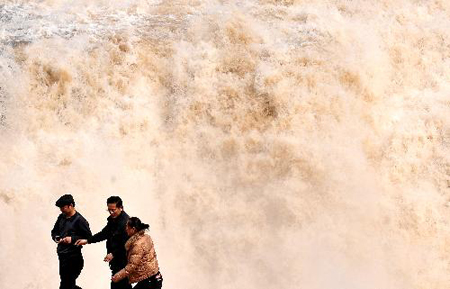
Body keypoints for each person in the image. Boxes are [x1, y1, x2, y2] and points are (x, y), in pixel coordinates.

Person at [75, 196, 132, 289]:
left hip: (124, 260)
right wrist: (88, 240)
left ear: (121, 208)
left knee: (119, 284)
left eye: (113, 210)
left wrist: (113, 254)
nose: (111, 213)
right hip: (117, 261)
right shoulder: (113, 220)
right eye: (109, 210)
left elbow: (127, 244)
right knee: (120, 284)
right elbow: (104, 233)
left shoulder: (126, 223)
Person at [51, 194, 92, 289]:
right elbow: (54, 231)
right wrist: (57, 238)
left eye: (63, 207)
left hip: (74, 257)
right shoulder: (61, 217)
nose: (61, 210)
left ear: (71, 205)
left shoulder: (80, 220)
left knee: (66, 285)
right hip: (62, 256)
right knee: (67, 284)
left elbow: (89, 237)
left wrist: (72, 239)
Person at [111, 217, 163, 289]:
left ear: (133, 229)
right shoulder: (146, 237)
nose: (126, 229)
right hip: (154, 277)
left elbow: (132, 265)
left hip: (150, 281)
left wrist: (118, 276)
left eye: (127, 227)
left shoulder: (138, 244)